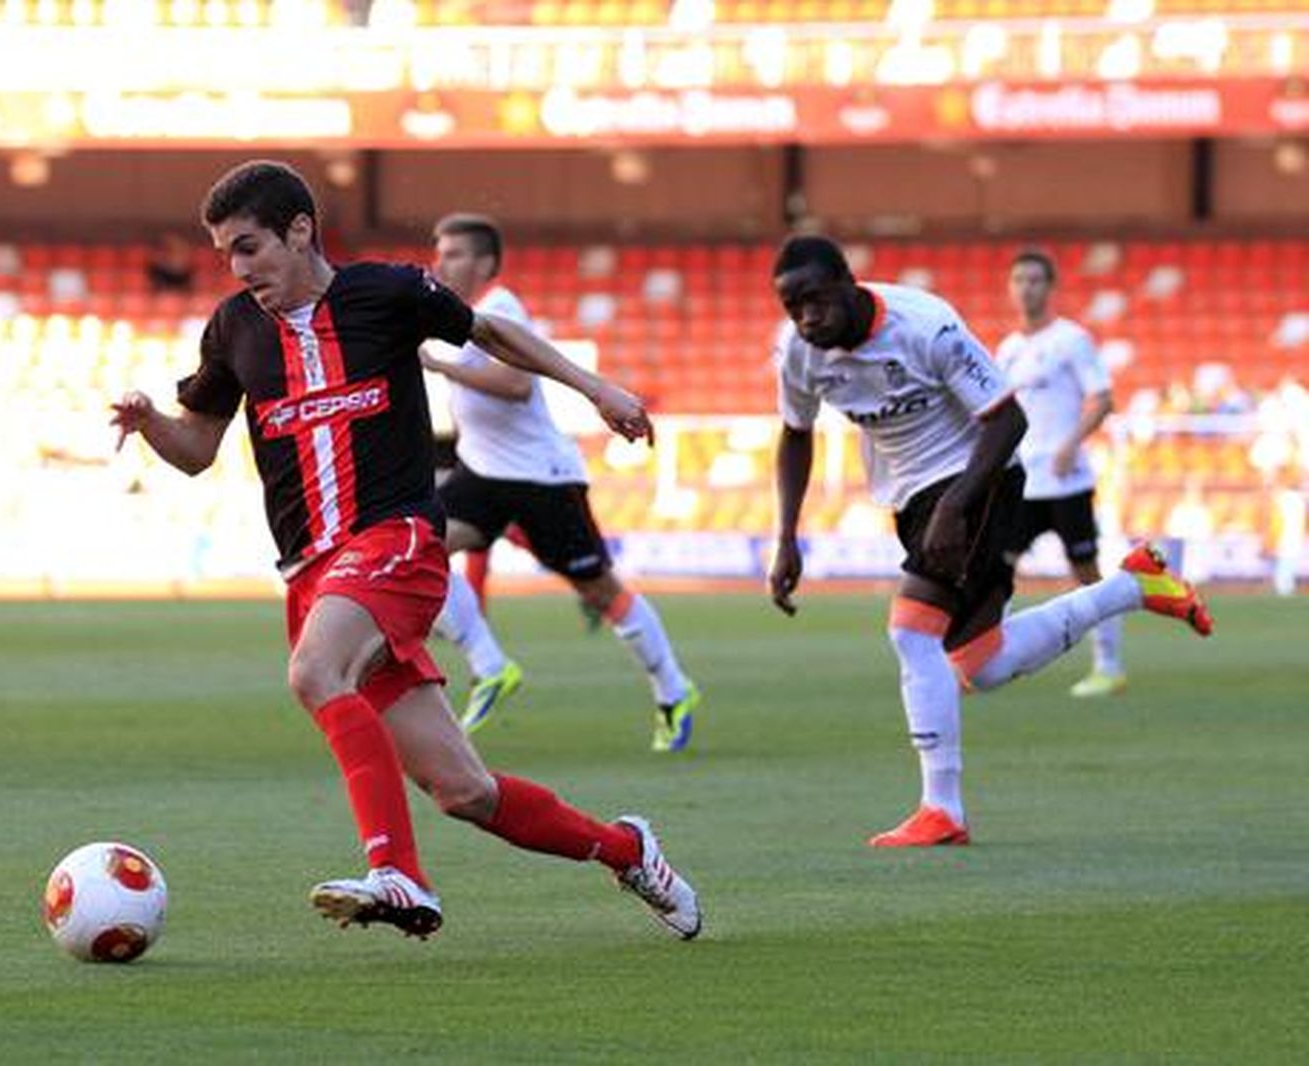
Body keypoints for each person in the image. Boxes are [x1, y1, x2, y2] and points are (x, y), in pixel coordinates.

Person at [110, 161, 700, 939]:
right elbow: (197, 449)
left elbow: (493, 333)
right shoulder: (234, 329)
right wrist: (153, 422)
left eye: (250, 246)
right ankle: (629, 852)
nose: (240, 268)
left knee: (315, 672)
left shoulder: (386, 293)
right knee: (465, 792)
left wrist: (596, 388)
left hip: (394, 542)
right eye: (226, 254)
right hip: (314, 576)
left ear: (300, 230)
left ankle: (398, 874)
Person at [768, 235, 1212, 847]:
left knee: (910, 628)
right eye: (793, 308)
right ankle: (1134, 585)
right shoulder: (798, 352)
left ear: (848, 282)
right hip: (910, 497)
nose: (806, 318)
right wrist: (786, 536)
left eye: (815, 301)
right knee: (982, 663)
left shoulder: (927, 326)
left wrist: (956, 505)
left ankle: (941, 810)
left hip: (978, 478)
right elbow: (795, 435)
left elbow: (1009, 420)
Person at [419, 213, 700, 751]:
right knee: (417, 547)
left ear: (485, 263)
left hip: (539, 477)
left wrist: (440, 365)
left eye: (453, 252)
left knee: (600, 590)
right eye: (439, 251)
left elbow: (515, 384)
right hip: (482, 472)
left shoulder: (500, 309)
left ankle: (673, 687)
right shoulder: (455, 316)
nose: (441, 262)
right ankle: (491, 665)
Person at [996, 250, 1124, 697]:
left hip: (1067, 480)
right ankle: (990, 658)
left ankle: (1109, 665)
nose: (1026, 288)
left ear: (1050, 287)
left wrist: (1071, 444)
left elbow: (1102, 398)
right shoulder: (1008, 350)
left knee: (1085, 572)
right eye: (1019, 280)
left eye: (1035, 280)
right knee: (998, 568)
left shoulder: (1072, 340)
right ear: (1010, 288)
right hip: (1021, 481)